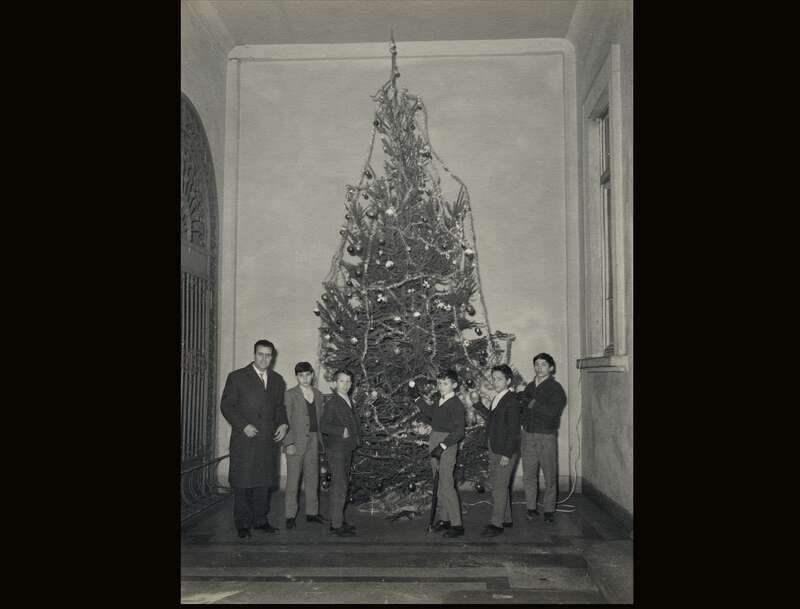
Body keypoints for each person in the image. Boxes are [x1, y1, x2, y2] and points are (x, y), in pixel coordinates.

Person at [220, 339, 289, 538]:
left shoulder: (277, 380)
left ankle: (260, 521)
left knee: (263, 483)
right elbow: (226, 406)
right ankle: (242, 525)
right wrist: (243, 425)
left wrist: (283, 424)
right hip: (245, 439)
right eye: (261, 354)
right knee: (243, 483)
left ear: (272, 357)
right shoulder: (237, 377)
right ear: (254, 354)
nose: (264, 359)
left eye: (268, 355)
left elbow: (279, 408)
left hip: (267, 440)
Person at [468, 364, 522, 537]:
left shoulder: (512, 400)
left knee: (499, 487)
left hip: (505, 450)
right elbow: (492, 418)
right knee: (500, 485)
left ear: (508, 381)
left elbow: (514, 431)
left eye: (499, 379)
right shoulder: (498, 397)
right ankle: (506, 519)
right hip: (495, 447)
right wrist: (477, 404)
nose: (495, 382)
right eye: (493, 378)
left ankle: (496, 524)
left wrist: (507, 454)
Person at [412, 369, 466, 538]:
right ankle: (445, 519)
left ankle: (457, 525)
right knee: (439, 482)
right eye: (439, 383)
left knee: (447, 484)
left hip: (447, 444)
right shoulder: (440, 400)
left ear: (454, 385)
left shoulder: (456, 405)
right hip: (435, 439)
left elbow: (459, 431)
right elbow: (430, 413)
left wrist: (442, 446)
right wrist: (416, 398)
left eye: (445, 383)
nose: (441, 386)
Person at [516, 353, 567, 524]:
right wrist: (521, 407)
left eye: (543, 364)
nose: (539, 368)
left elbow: (553, 411)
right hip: (528, 434)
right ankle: (531, 507)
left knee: (549, 474)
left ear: (551, 368)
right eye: (537, 364)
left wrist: (532, 403)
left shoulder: (555, 388)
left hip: (546, 435)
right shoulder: (530, 386)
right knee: (529, 474)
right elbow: (523, 409)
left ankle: (549, 510)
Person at [282, 362, 328, 530]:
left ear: (312, 375)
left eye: (307, 375)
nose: (305, 378)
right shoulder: (290, 394)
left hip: (314, 440)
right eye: (301, 376)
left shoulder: (318, 394)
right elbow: (285, 420)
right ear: (297, 377)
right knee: (293, 481)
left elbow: (321, 418)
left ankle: (312, 513)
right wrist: (289, 442)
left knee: (312, 478)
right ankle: (290, 515)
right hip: (296, 442)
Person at [319, 369, 360, 537]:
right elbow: (323, 426)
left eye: (348, 381)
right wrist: (340, 430)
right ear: (335, 383)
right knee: (338, 486)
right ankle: (336, 525)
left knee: (342, 485)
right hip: (336, 449)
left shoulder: (347, 399)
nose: (346, 384)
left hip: (346, 448)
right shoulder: (333, 402)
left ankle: (339, 520)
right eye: (342, 381)